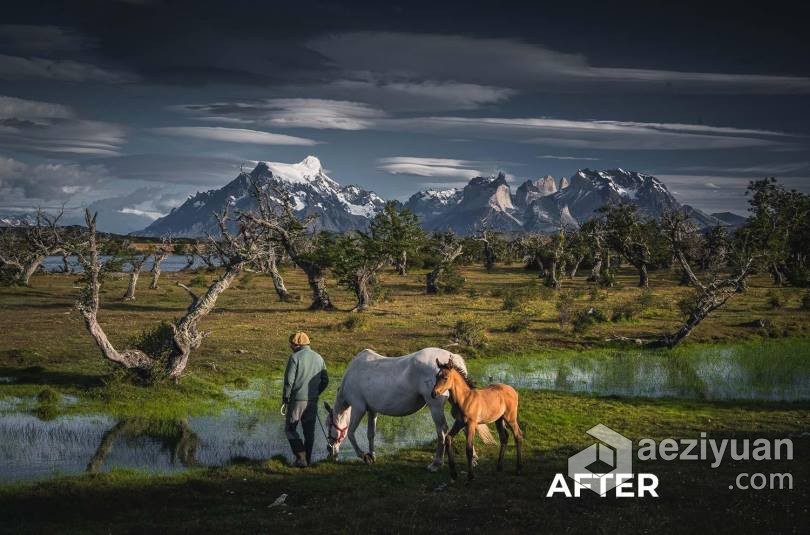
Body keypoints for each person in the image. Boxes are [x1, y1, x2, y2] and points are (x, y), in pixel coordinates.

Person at [282, 331, 329, 467]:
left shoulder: (295, 357)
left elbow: (289, 381)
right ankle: (307, 461)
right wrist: (315, 393)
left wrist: (285, 398)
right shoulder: (319, 358)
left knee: (290, 429)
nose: (290, 347)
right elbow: (325, 380)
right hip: (312, 401)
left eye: (291, 344)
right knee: (309, 433)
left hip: (296, 401)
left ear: (297, 344)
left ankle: (300, 456)